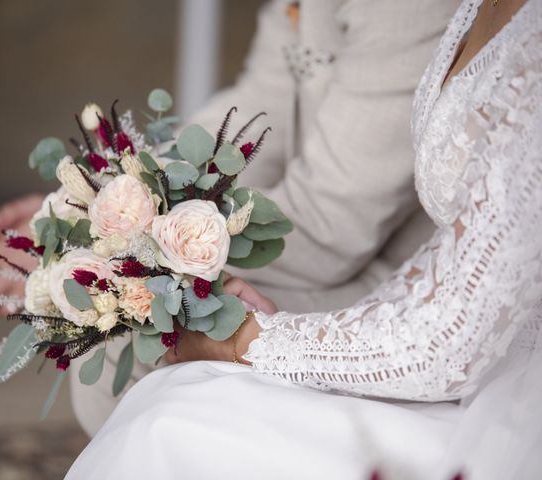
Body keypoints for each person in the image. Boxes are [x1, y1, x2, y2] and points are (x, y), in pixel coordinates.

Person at [64, 0, 542, 478]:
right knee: (169, 390)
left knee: (172, 419)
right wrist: (98, 209)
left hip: (493, 377)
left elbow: (444, 338)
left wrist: (249, 338)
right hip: (432, 310)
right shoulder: (479, 8)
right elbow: (457, 250)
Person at [0, 0, 458, 435]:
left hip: (402, 280)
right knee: (120, 331)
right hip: (340, 246)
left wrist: (114, 264)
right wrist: (85, 209)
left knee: (128, 347)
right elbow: (256, 111)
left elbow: (330, 224)